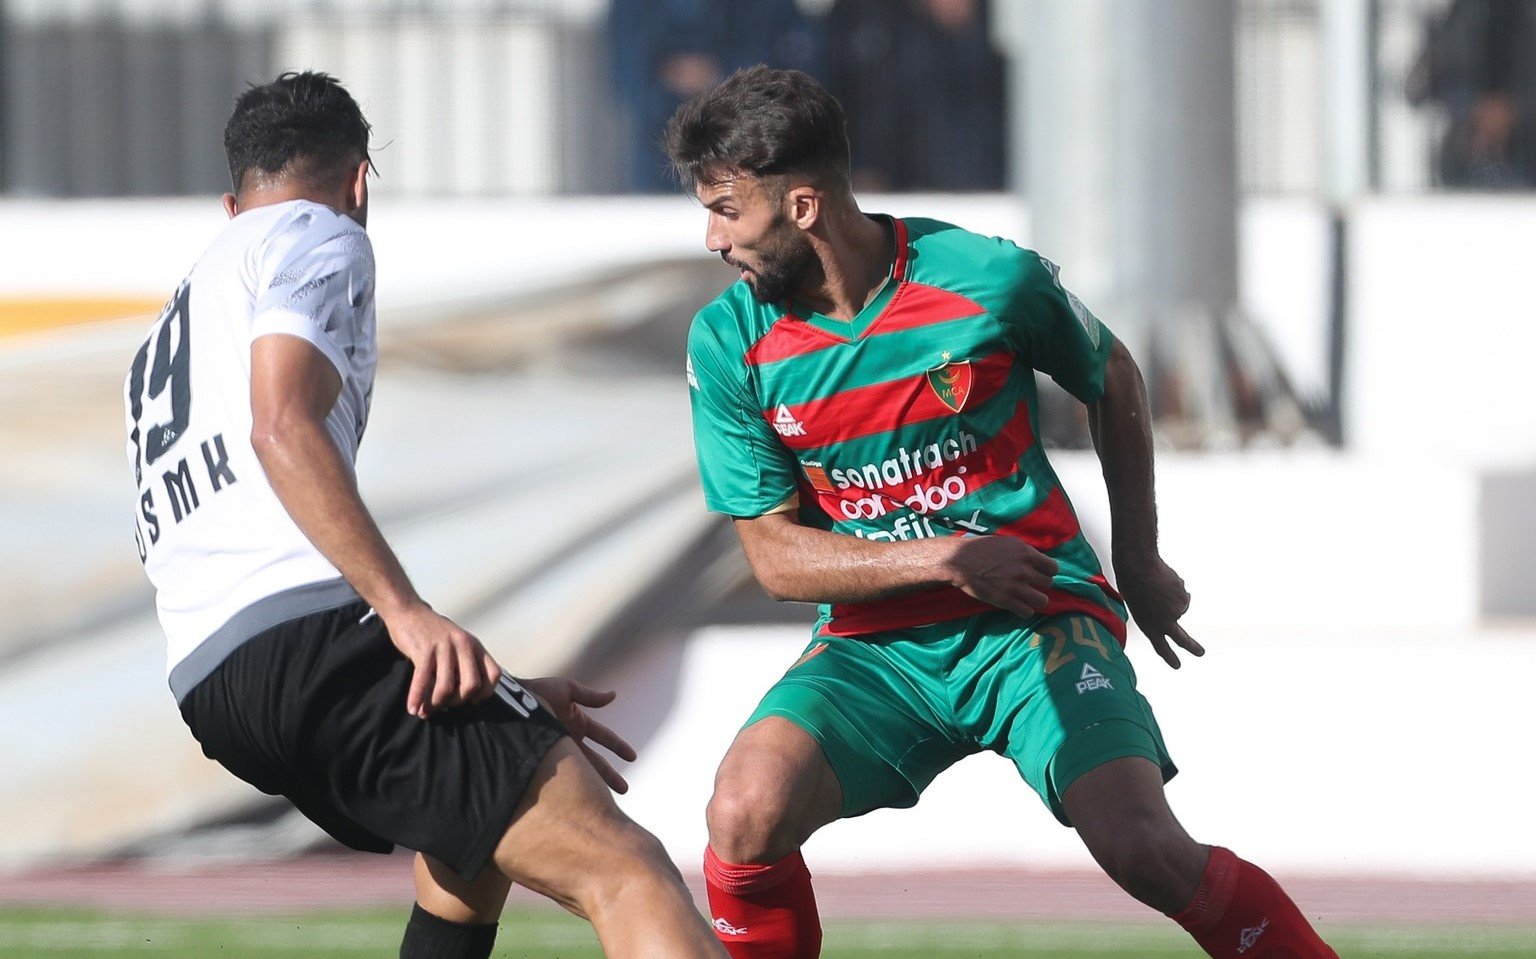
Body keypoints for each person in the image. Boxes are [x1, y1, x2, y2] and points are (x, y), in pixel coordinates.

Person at [666, 66, 1338, 959]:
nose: (711, 237)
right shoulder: (729, 341)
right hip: (879, 648)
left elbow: (1116, 376)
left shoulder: (988, 279)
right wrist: (942, 558)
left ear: (801, 206)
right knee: (743, 810)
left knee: (1143, 847)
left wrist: (1138, 560)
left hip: (1037, 622)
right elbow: (776, 558)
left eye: (725, 210)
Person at [123, 71, 725, 959]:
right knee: (624, 868)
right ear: (361, 181)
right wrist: (404, 614)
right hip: (304, 650)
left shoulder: (174, 325)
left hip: (215, 682)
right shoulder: (318, 231)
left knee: (468, 846)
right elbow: (281, 426)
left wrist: (503, 693)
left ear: (231, 200)